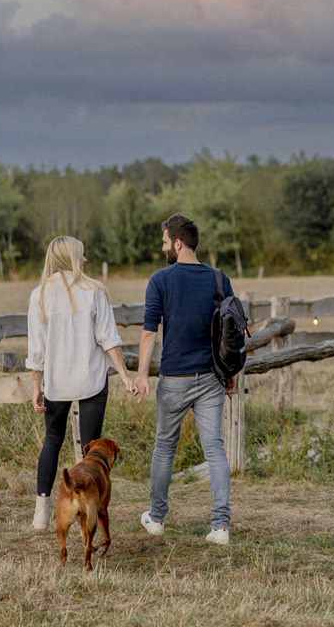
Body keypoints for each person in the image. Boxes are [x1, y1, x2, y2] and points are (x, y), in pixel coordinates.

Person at [134, 213, 236, 545]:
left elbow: (150, 334)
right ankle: (221, 526)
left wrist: (141, 375)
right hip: (211, 376)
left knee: (164, 447)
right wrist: (230, 373)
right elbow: (230, 332)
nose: (163, 247)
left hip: (175, 377)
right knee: (215, 449)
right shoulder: (220, 279)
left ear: (178, 243)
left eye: (165, 241)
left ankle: (158, 518)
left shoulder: (160, 280)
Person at [26, 235, 137, 531]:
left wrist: (36, 386)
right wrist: (124, 375)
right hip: (91, 380)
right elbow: (109, 339)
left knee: (52, 440)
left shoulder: (39, 295)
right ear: (71, 258)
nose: (85, 260)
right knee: (91, 452)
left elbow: (36, 351)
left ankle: (42, 512)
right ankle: (87, 509)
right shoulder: (94, 291)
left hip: (56, 382)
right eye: (82, 255)